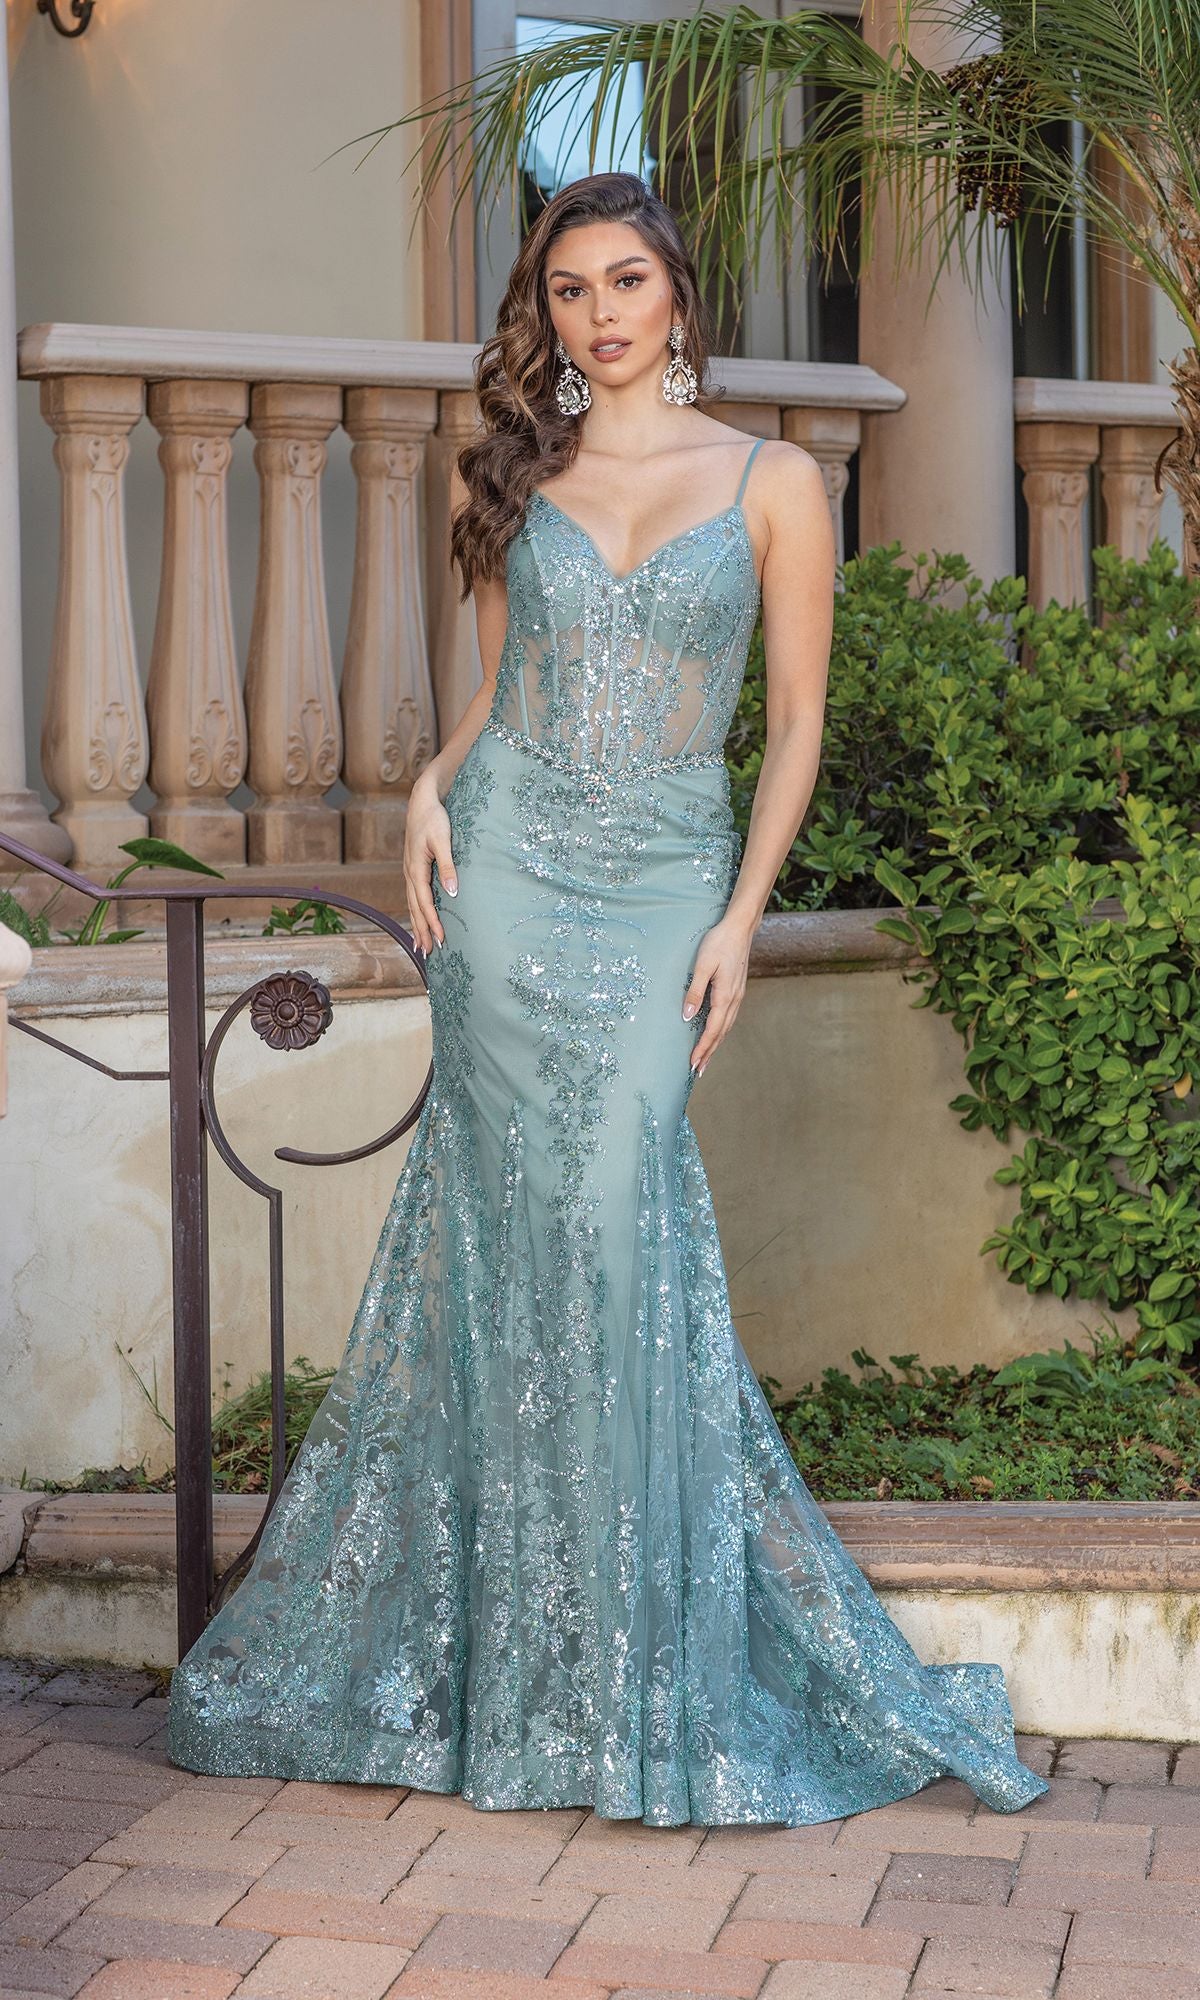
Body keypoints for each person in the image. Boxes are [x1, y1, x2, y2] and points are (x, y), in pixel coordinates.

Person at [167, 171, 1049, 1826]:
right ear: (549, 314)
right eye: (569, 290)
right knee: (515, 1252)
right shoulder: (516, 464)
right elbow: (500, 693)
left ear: (678, 294)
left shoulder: (776, 481)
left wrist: (741, 921)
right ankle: (527, 1681)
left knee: (615, 1224)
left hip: (660, 895)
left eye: (625, 280)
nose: (598, 314)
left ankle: (634, 1679)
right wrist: (427, 789)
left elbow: (791, 726)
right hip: (502, 885)